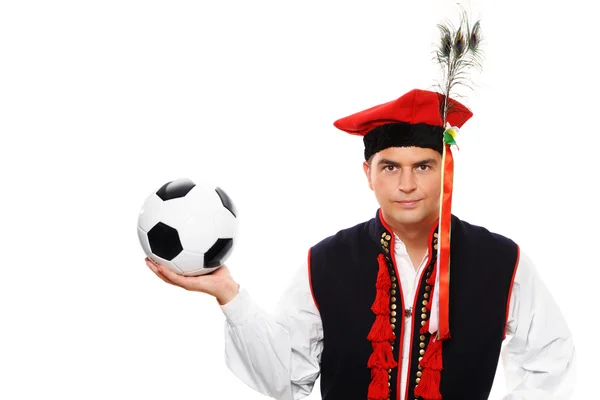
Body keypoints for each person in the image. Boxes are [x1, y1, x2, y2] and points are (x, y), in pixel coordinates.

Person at [145, 88, 576, 400]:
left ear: (447, 171)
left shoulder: (503, 262)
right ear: (367, 174)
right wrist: (227, 294)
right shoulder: (326, 261)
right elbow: (285, 379)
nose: (407, 184)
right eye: (390, 167)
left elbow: (550, 360)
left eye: (423, 166)